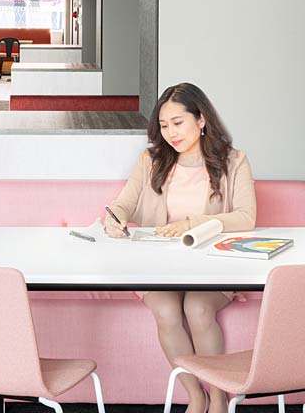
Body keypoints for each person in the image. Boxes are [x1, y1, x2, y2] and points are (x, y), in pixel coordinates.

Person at [103, 83, 256, 413]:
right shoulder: (152, 160)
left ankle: (217, 396)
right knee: (167, 310)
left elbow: (246, 217)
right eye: (163, 125)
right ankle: (194, 395)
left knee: (198, 308)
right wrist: (114, 217)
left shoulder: (234, 161)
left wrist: (192, 224)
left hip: (213, 264)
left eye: (178, 123)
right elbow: (125, 202)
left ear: (201, 120)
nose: (170, 133)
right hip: (158, 264)